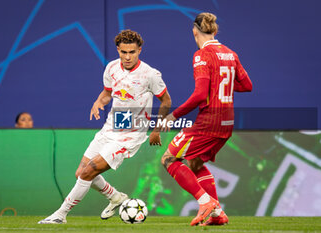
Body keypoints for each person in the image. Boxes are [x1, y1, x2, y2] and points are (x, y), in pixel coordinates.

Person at [38, 29, 171, 224]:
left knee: (88, 172)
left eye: (132, 52)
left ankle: (60, 214)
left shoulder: (150, 74)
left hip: (132, 134)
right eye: (123, 52)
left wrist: (157, 129)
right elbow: (107, 92)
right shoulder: (111, 68)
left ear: (139, 50)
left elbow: (166, 101)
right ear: (118, 49)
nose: (127, 57)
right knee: (81, 172)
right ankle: (115, 197)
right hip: (112, 125)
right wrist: (99, 101)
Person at [161, 12, 252, 226]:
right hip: (227, 122)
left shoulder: (201, 55)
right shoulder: (231, 54)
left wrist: (174, 115)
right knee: (194, 162)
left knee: (168, 160)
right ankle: (217, 214)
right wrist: (223, 85)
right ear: (215, 31)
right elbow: (247, 86)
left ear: (194, 31)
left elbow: (200, 94)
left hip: (209, 121)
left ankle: (205, 203)